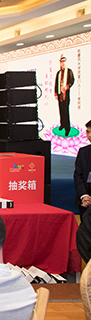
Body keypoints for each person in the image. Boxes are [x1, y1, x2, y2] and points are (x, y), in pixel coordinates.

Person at [75, 120, 91, 261]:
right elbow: (78, 175)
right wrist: (84, 195)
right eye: (88, 132)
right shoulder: (83, 152)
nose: (89, 135)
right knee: (84, 237)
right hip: (86, 202)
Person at [55, 54, 75, 136]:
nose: (62, 63)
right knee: (61, 110)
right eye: (61, 62)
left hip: (65, 95)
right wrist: (56, 93)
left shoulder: (69, 71)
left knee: (66, 111)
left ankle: (67, 128)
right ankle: (62, 124)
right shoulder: (58, 73)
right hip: (60, 95)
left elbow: (72, 80)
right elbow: (56, 84)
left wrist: (67, 86)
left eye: (64, 62)